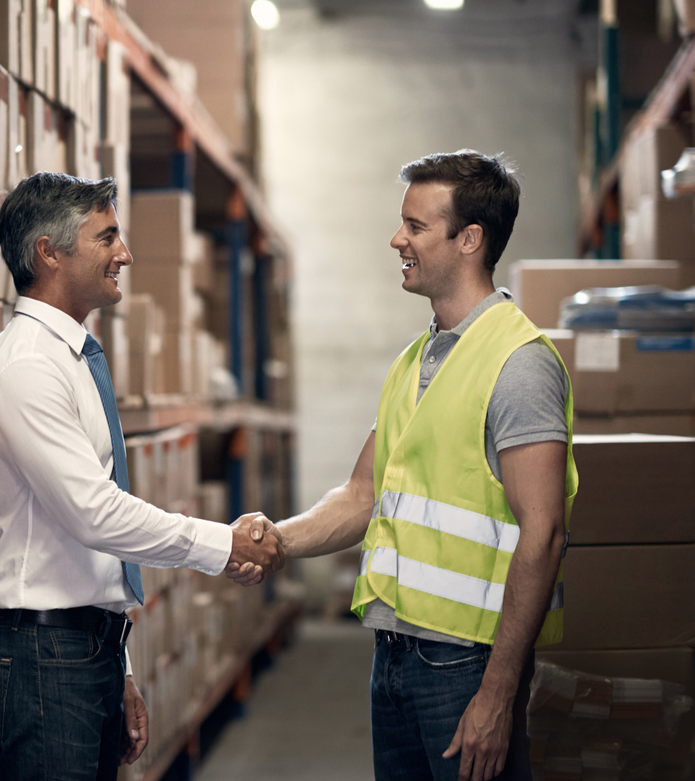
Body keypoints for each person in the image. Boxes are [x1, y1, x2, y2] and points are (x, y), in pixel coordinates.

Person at [231, 150, 578, 781]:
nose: (398, 240)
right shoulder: (415, 361)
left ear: (469, 239)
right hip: (394, 656)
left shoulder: (519, 363)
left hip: (467, 665)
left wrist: (498, 692)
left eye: (415, 227)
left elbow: (545, 532)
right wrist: (274, 540)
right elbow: (362, 495)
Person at [0, 172, 284, 781]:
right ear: (49, 253)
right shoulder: (28, 368)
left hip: (80, 649)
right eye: (106, 237)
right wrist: (224, 544)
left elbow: (86, 551)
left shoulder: (71, 358)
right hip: (42, 658)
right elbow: (95, 513)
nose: (125, 254)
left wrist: (121, 666)